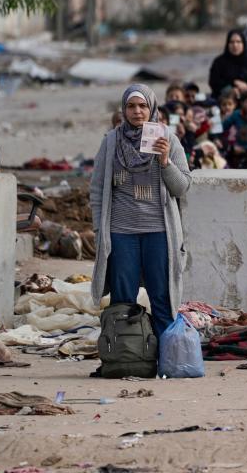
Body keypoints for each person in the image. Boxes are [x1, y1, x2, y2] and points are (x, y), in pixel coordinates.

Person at [89, 84, 191, 341]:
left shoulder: (168, 139)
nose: (137, 111)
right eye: (131, 106)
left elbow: (182, 187)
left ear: (152, 108)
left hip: (159, 231)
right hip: (121, 231)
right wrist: (100, 231)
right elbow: (97, 190)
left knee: (162, 296)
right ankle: (125, 355)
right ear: (123, 110)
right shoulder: (111, 142)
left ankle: (167, 358)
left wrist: (165, 161)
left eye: (143, 106)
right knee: (123, 299)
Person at [208, 30, 247, 99]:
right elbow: (213, 82)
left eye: (238, 42)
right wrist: (231, 86)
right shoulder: (219, 62)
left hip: (246, 100)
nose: (235, 45)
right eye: (232, 42)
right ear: (227, 44)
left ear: (243, 44)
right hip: (224, 100)